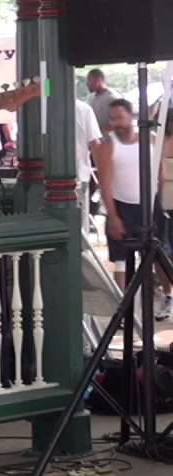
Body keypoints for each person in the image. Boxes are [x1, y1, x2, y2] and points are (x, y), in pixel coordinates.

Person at [95, 98, 173, 319]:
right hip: (122, 205)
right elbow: (105, 183)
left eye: (119, 117)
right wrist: (113, 215)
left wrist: (158, 199)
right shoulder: (108, 144)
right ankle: (125, 307)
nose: (116, 122)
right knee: (121, 258)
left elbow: (160, 172)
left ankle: (168, 296)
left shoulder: (151, 139)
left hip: (150, 204)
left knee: (160, 254)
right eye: (112, 118)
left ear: (131, 116)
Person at [74, 98, 104, 238]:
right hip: (79, 177)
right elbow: (95, 144)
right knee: (80, 228)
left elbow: (95, 144)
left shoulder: (43, 106)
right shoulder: (83, 109)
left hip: (77, 178)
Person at [87, 69, 118, 137]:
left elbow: (118, 122)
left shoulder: (112, 98)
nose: (87, 84)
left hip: (109, 140)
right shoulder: (91, 97)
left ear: (99, 80)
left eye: (89, 80)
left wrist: (99, 132)